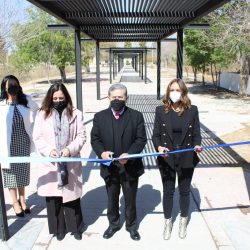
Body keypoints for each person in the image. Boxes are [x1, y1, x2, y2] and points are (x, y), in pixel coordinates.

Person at [91, 83, 147, 241]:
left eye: (120, 97)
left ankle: (132, 226)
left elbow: (141, 139)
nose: (117, 100)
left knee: (130, 200)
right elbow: (95, 139)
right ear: (108, 97)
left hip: (130, 167)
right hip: (110, 168)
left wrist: (129, 154)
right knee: (112, 199)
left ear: (126, 98)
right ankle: (113, 224)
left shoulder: (136, 116)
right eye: (114, 97)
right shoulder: (99, 117)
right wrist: (101, 153)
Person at [33, 83, 86, 241]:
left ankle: (76, 227)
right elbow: (38, 137)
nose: (57, 100)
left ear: (66, 98)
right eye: (54, 98)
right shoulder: (42, 114)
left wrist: (69, 150)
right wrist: (50, 151)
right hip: (51, 163)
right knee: (53, 198)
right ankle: (58, 229)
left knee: (72, 197)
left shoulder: (76, 114)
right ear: (50, 98)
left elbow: (81, 136)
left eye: (61, 98)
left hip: (69, 161)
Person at [152, 78, 202, 240]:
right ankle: (168, 222)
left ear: (183, 92)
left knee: (185, 191)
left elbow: (196, 134)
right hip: (167, 157)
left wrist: (197, 145)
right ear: (168, 92)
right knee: (168, 192)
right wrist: (159, 148)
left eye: (178, 90)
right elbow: (156, 135)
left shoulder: (192, 110)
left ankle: (182, 221)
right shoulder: (160, 110)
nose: (174, 93)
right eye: (172, 90)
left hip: (187, 156)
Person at [0, 75, 38, 217]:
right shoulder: (1, 103)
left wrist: (34, 125)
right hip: (6, 145)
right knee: (10, 174)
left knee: (22, 173)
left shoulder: (26, 100)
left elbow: (38, 111)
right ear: (4, 87)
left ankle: (23, 200)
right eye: (10, 84)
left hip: (23, 142)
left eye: (16, 84)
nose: (13, 86)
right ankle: (15, 202)